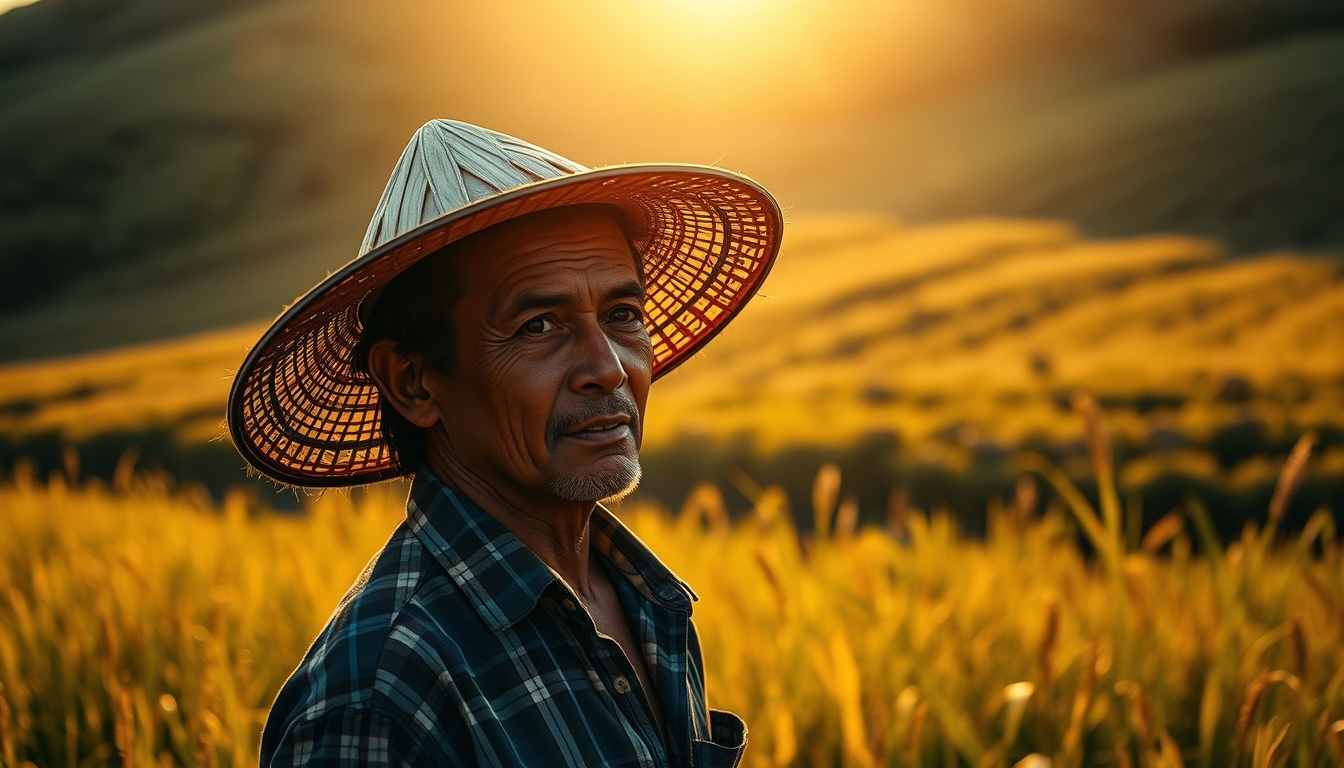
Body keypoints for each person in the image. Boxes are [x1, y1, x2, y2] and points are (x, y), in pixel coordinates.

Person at [227, 119, 782, 767]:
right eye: (539, 325)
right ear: (413, 382)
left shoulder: (643, 600)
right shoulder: (377, 700)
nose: (607, 367)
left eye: (622, 315)